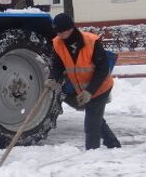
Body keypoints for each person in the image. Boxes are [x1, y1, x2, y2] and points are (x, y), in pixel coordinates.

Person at [44, 13, 121, 150]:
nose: (59, 35)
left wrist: (89, 91)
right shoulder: (58, 43)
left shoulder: (91, 42)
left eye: (61, 31)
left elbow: (103, 70)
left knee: (91, 124)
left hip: (101, 87)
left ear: (70, 29)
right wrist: (53, 78)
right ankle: (113, 144)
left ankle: (92, 153)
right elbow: (58, 65)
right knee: (95, 118)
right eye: (57, 32)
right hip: (82, 89)